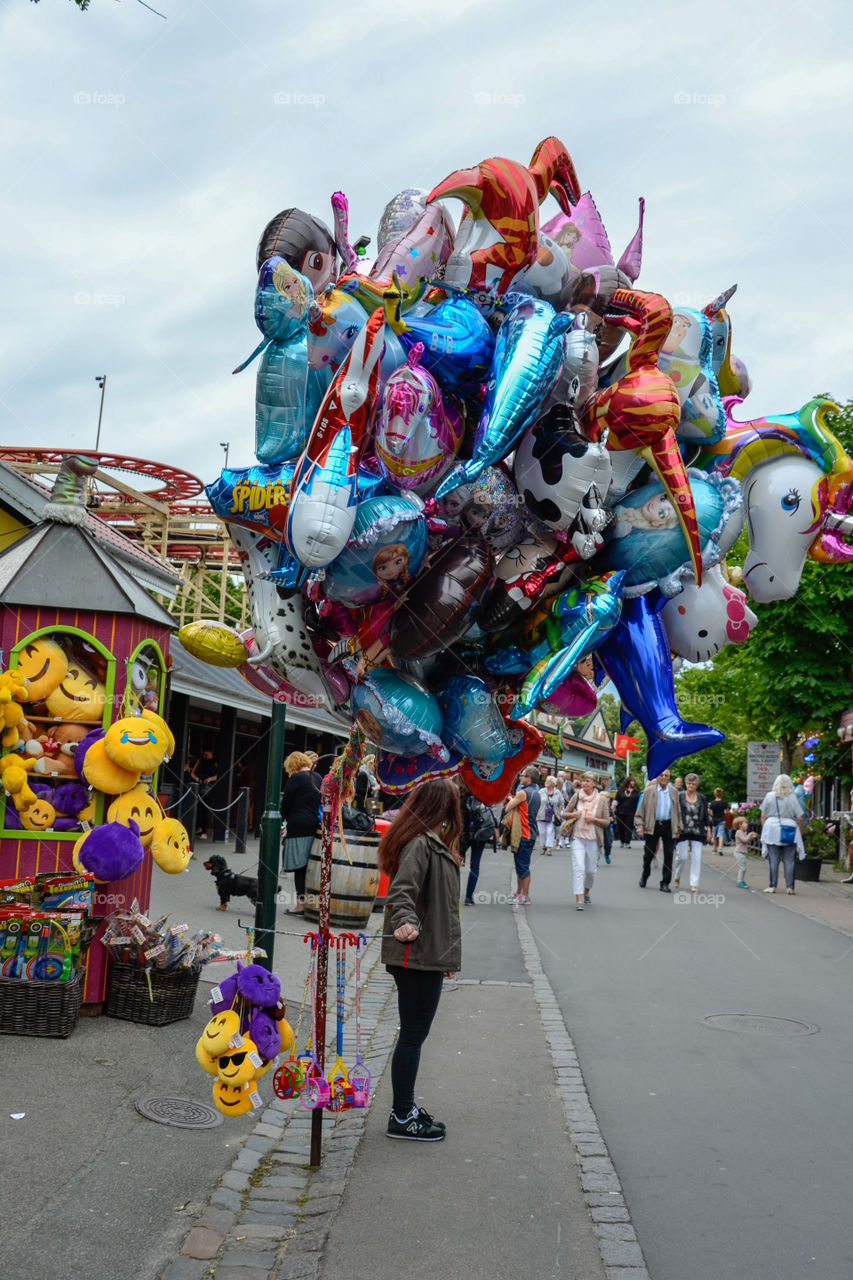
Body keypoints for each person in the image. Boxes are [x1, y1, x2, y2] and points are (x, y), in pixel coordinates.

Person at [379, 778, 462, 1141]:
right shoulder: (420, 844)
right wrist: (405, 922)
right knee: (413, 1036)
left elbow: (440, 906)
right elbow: (401, 893)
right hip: (414, 955)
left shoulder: (429, 841)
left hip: (425, 954)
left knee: (414, 1034)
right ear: (439, 807)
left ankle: (406, 1110)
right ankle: (402, 1115)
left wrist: (443, 954)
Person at [280, 751, 322, 915]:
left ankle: (301, 905)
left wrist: (283, 817)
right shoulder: (317, 776)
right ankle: (312, 903)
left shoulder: (296, 778)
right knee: (310, 866)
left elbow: (286, 803)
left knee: (300, 867)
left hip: (299, 825)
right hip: (315, 824)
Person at [562, 772, 610, 910]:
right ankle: (579, 899)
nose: (585, 783)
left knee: (590, 871)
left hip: (593, 839)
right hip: (577, 837)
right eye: (583, 780)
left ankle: (587, 891)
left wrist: (594, 820)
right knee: (579, 868)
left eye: (588, 781)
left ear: (595, 783)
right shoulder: (577, 796)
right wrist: (574, 815)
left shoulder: (601, 800)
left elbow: (606, 822)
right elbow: (565, 814)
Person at [636, 768, 682, 892]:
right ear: (657, 777)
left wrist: (678, 828)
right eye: (661, 775)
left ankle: (665, 882)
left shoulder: (673, 791)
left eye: (666, 775)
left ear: (669, 778)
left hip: (668, 825)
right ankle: (645, 875)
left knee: (668, 855)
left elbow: (677, 811)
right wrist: (639, 825)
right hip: (653, 825)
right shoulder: (649, 791)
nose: (664, 777)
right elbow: (641, 810)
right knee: (648, 854)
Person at [760, 773, 805, 894]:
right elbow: (800, 817)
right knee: (789, 860)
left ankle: (772, 885)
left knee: (773, 860)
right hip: (789, 829)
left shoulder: (769, 796)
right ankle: (790, 887)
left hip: (772, 829)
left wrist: (765, 829)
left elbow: (763, 815)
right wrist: (800, 831)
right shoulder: (792, 797)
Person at [502, 765, 540, 904]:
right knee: (521, 865)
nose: (520, 778)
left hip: (523, 833)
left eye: (523, 775)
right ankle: (519, 893)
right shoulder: (536, 790)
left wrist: (511, 800)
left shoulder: (523, 793)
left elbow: (508, 808)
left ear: (529, 778)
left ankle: (525, 896)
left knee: (522, 866)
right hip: (531, 831)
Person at [458, 780, 497, 906]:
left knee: (455, 864)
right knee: (475, 865)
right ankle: (469, 897)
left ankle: (453, 894)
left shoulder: (461, 798)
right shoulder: (482, 797)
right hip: (479, 834)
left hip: (464, 835)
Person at [673, 773, 709, 892]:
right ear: (685, 783)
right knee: (682, 857)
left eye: (693, 784)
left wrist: (708, 828)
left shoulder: (702, 798)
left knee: (696, 857)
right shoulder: (680, 796)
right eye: (689, 783)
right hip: (682, 830)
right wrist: (675, 828)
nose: (690, 786)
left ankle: (694, 883)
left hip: (698, 830)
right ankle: (677, 875)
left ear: (697, 785)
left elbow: (705, 815)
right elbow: (675, 813)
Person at [190, 748, 219, 840]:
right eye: (204, 754)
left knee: (206, 809)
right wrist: (197, 779)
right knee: (198, 808)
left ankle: (204, 830)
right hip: (199, 785)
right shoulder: (200, 760)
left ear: (211, 754)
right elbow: (192, 773)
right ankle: (198, 827)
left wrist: (209, 779)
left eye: (207, 754)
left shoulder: (215, 762)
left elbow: (217, 776)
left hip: (209, 787)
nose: (205, 756)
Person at [537, 775, 564, 855]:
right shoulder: (541, 791)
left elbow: (561, 803)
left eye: (548, 781)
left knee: (550, 831)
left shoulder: (557, 792)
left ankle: (549, 848)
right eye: (546, 781)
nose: (546, 783)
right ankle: (544, 846)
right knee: (542, 832)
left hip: (552, 816)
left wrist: (558, 814)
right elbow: (537, 800)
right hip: (541, 814)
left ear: (553, 783)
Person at [613, 777, 640, 847]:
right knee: (620, 827)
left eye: (634, 781)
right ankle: (622, 841)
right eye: (632, 781)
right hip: (620, 812)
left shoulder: (636, 792)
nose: (633, 783)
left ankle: (628, 842)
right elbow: (616, 800)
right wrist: (612, 807)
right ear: (628, 782)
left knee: (629, 827)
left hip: (631, 813)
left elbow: (639, 802)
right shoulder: (620, 791)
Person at [731, 816, 756, 888]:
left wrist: (751, 837)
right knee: (742, 867)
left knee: (743, 867)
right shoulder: (739, 832)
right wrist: (750, 834)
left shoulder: (743, 832)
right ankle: (739, 881)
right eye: (745, 823)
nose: (747, 824)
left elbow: (747, 840)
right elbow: (744, 840)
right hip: (739, 852)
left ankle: (741, 880)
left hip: (742, 852)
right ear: (740, 824)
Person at [709, 788, 727, 853]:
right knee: (721, 834)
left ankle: (714, 849)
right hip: (722, 819)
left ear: (715, 794)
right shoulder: (724, 803)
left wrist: (711, 815)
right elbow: (727, 811)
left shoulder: (712, 803)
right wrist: (724, 813)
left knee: (714, 834)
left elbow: (708, 811)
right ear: (721, 794)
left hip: (714, 820)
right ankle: (720, 848)